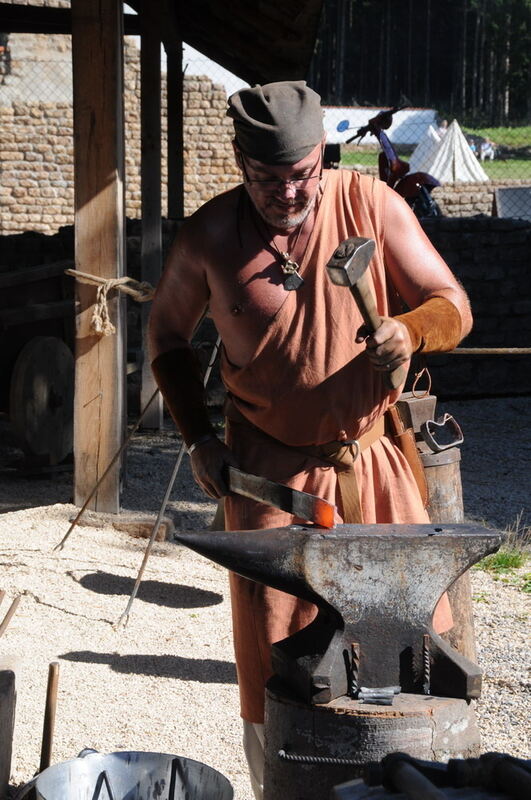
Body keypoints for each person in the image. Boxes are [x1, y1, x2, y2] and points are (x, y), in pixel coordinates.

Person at [149, 81, 472, 799]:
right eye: (268, 179)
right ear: (239, 162)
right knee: (278, 671)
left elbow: (453, 306)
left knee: (411, 650)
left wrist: (410, 330)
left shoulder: (370, 206)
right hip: (269, 485)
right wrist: (199, 438)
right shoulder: (208, 237)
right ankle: (282, 790)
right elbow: (167, 335)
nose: (288, 194)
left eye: (301, 175)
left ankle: (410, 781)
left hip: (372, 464)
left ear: (320, 157)